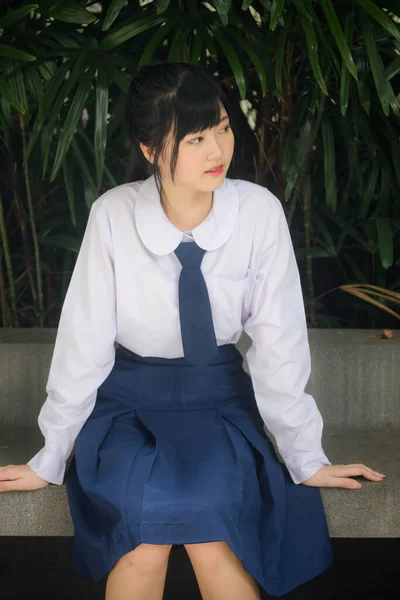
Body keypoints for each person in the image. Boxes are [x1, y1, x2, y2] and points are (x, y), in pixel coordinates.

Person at [0, 62, 385, 600]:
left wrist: (306, 456)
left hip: (220, 403)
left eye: (223, 128)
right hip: (129, 408)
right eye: (195, 137)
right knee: (138, 541)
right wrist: (50, 455)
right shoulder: (112, 215)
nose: (217, 151)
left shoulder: (257, 212)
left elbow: (279, 345)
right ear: (150, 150)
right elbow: (83, 344)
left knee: (214, 536)